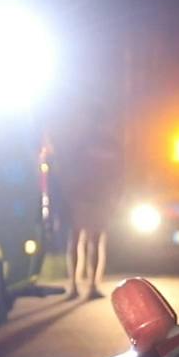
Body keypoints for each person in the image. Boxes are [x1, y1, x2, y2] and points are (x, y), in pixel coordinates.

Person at [55, 104, 122, 301]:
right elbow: (69, 169)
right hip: (83, 197)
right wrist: (70, 192)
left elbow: (118, 174)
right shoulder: (84, 143)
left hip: (99, 198)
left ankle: (90, 284)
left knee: (94, 240)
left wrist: (115, 196)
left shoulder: (111, 144)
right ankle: (75, 285)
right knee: (79, 239)